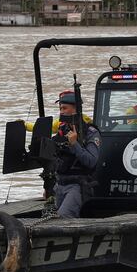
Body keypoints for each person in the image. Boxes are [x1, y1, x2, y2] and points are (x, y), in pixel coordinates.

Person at [53, 90, 101, 218]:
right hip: (60, 185)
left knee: (64, 216)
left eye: (65, 108)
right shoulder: (62, 130)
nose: (61, 112)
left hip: (77, 185)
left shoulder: (90, 132)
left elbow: (91, 161)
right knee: (53, 217)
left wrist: (75, 144)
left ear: (75, 109)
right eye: (60, 108)